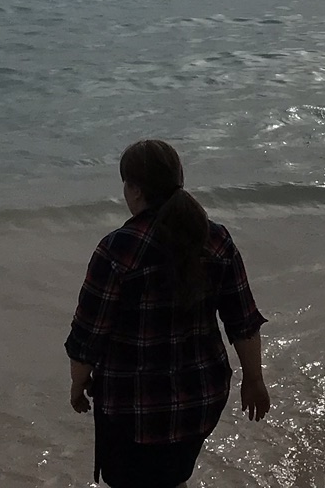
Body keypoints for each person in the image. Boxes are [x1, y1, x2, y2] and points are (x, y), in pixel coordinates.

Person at [66, 139, 270, 488]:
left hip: (132, 408)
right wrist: (254, 381)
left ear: (134, 189)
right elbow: (243, 322)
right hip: (201, 399)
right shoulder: (216, 239)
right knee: (173, 477)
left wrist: (77, 383)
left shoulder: (118, 248)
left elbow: (88, 334)